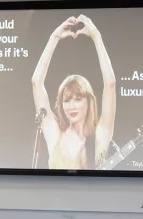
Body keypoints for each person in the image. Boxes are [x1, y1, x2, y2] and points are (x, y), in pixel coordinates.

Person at [31, 14, 117, 170]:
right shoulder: (55, 135)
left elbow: (110, 84)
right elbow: (36, 82)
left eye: (78, 99)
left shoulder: (100, 135)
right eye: (66, 100)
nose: (71, 106)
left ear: (89, 101)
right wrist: (54, 38)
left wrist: (96, 37)